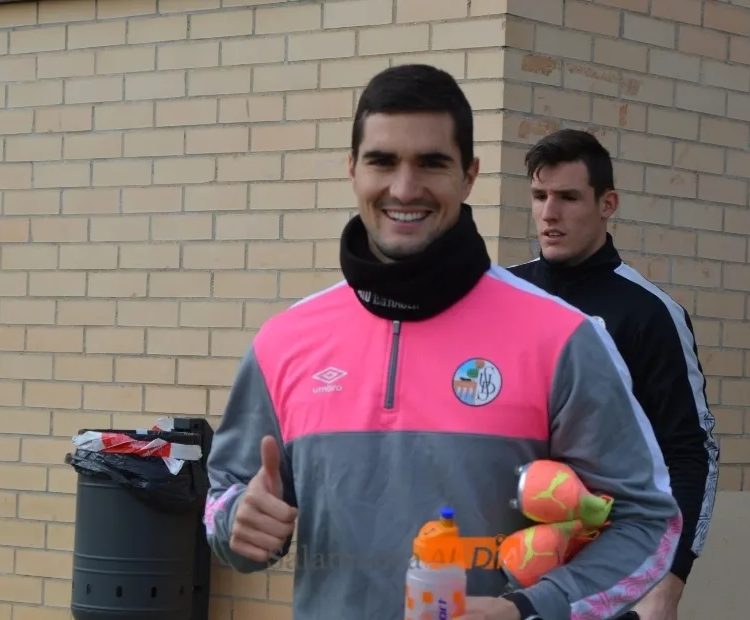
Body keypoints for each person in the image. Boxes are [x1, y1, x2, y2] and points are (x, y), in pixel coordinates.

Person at [203, 64, 683, 620]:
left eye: (432, 163)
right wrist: (237, 521)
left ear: (469, 174)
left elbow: (649, 523)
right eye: (383, 161)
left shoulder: (562, 337)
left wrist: (529, 609)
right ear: (353, 169)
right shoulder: (284, 341)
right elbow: (223, 503)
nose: (405, 189)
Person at [507, 129, 720, 620]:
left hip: (606, 579)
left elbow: (692, 452)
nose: (548, 213)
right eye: (539, 196)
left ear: (607, 204)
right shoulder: (501, 298)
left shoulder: (649, 313)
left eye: (567, 198)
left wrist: (670, 579)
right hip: (501, 568)